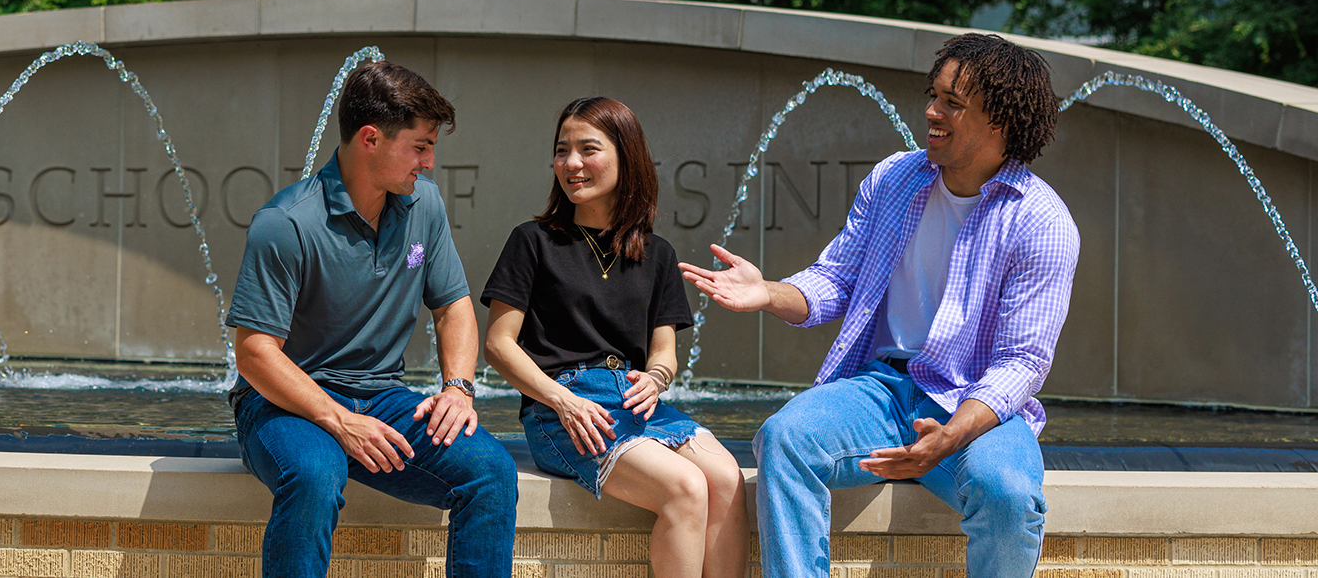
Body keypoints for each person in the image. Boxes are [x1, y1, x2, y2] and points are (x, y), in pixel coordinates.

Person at [680, 33, 1079, 578]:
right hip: (882, 390)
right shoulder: (895, 178)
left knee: (1007, 495)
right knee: (785, 438)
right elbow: (836, 280)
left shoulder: (1042, 223)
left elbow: (1022, 363)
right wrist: (766, 292)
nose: (932, 112)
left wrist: (952, 435)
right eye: (933, 95)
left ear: (1001, 122)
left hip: (977, 407)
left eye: (953, 104)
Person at [226, 61, 517, 577]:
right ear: (370, 139)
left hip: (383, 398)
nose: (428, 163)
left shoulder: (422, 204)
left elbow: (453, 306)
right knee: (316, 473)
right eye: (420, 146)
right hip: (284, 403)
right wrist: (337, 421)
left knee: (491, 471)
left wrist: (457, 388)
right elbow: (253, 354)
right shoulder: (286, 223)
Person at [483, 97, 748, 578]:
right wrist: (562, 401)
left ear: (627, 158)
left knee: (728, 478)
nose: (572, 163)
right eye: (562, 150)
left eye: (588, 149)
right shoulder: (533, 241)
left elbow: (663, 351)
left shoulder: (657, 254)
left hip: (632, 400)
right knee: (685, 487)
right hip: (562, 409)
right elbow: (499, 346)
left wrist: (657, 378)